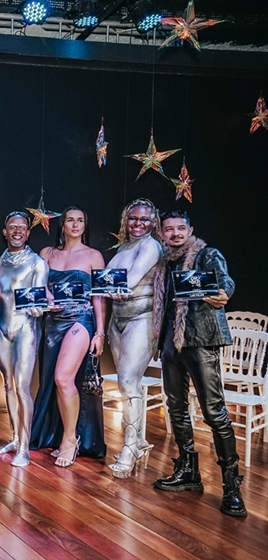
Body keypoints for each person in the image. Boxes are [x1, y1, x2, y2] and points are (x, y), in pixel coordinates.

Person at [151, 211, 246, 517]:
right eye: (169, 229)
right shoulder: (164, 263)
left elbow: (224, 282)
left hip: (201, 340)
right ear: (162, 233)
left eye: (181, 228)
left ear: (190, 230)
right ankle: (188, 471)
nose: (175, 233)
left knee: (214, 412)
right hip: (170, 342)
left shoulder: (207, 255)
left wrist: (223, 294)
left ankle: (232, 486)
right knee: (176, 408)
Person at [29, 207, 107, 466]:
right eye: (70, 220)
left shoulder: (93, 256)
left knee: (63, 378)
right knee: (54, 381)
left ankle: (70, 439)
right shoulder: (46, 253)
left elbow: (99, 297)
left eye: (80, 220)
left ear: (85, 225)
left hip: (80, 319)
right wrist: (47, 297)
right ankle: (60, 434)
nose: (75, 224)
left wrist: (100, 332)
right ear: (62, 225)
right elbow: (38, 286)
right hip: (52, 323)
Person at [106, 199, 162, 478]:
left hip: (142, 318)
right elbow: (107, 282)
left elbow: (130, 279)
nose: (138, 223)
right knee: (127, 383)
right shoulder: (123, 247)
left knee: (128, 382)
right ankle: (138, 440)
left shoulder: (151, 246)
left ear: (154, 223)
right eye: (133, 218)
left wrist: (109, 286)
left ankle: (129, 448)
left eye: (144, 219)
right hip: (117, 319)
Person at [0, 211, 48, 468]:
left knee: (22, 387)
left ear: (28, 233)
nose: (17, 231)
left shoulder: (37, 263)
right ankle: (14, 438)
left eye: (22, 227)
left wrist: (38, 307)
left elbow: (39, 298)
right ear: (5, 232)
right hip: (1, 329)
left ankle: (25, 447)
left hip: (26, 329)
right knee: (8, 386)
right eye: (12, 227)